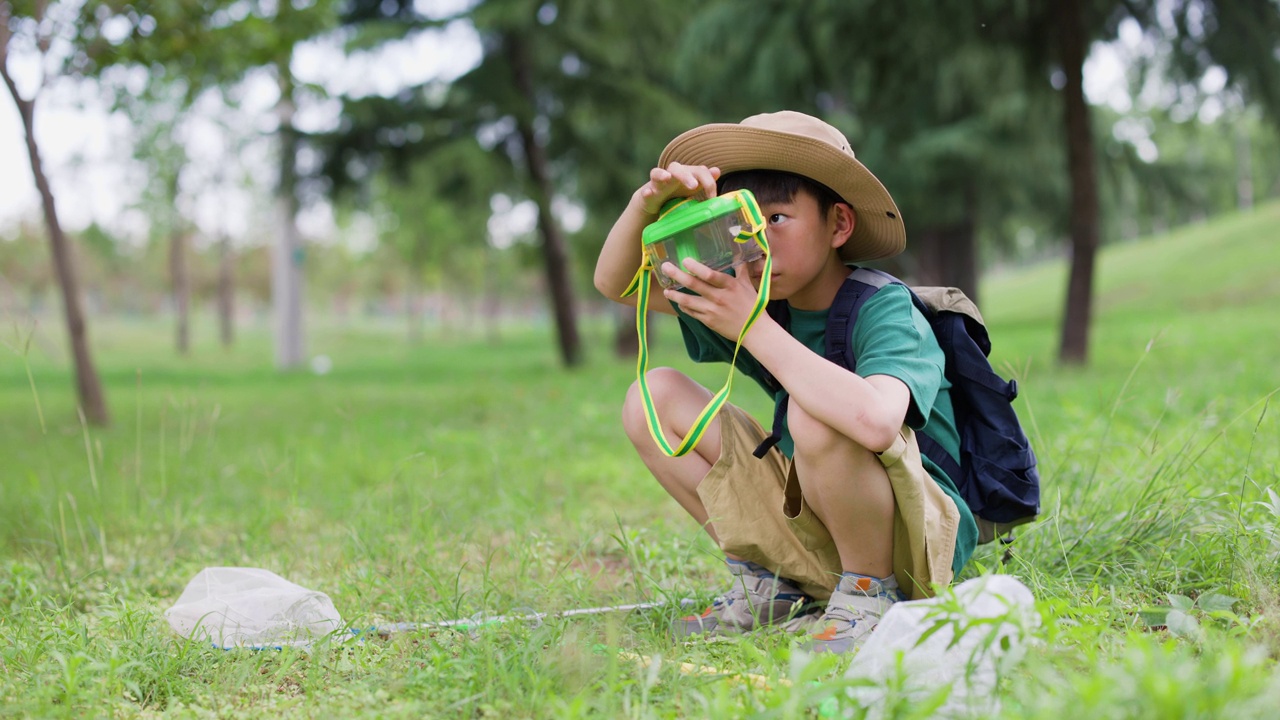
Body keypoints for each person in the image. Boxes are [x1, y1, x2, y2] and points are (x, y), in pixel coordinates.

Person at [594, 111, 978, 653]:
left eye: (775, 218)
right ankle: (767, 583)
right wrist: (645, 207)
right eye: (738, 221)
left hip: (914, 544)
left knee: (813, 409)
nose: (753, 239)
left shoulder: (885, 309)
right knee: (651, 398)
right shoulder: (760, 301)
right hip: (819, 521)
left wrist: (749, 325)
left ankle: (871, 594)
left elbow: (874, 420)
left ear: (839, 225)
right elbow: (617, 284)